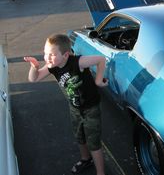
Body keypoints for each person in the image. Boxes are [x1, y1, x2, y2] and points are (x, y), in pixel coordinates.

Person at [24, 34, 108, 175]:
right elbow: (34, 78)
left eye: (51, 54)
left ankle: (101, 172)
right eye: (45, 53)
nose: (47, 58)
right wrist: (35, 66)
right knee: (79, 136)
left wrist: (98, 81)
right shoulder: (53, 66)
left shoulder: (78, 62)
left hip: (90, 109)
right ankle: (85, 159)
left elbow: (101, 59)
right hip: (75, 108)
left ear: (65, 55)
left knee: (93, 142)